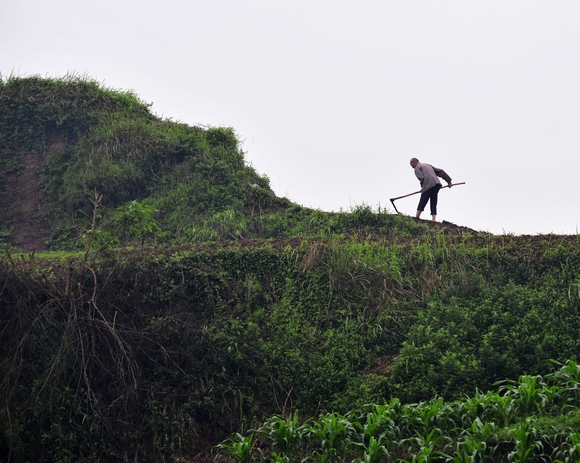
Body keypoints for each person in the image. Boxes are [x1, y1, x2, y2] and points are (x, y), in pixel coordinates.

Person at [409, 157, 452, 222]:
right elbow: (440, 172)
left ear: (415, 162)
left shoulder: (417, 168)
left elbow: (422, 178)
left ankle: (417, 217)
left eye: (412, 165)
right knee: (433, 200)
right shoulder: (428, 165)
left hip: (428, 184)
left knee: (423, 199)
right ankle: (433, 219)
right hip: (436, 184)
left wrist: (423, 188)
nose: (412, 167)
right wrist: (448, 181)